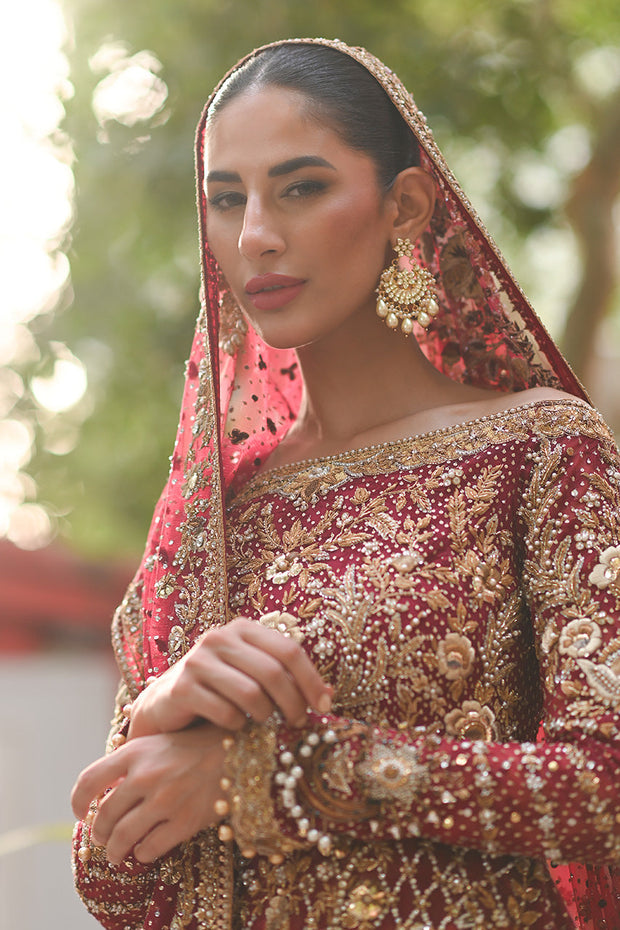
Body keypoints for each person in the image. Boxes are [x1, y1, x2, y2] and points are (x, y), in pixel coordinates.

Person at [71, 38, 620, 930]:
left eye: (302, 187)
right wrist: (158, 721)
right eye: (226, 199)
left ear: (403, 204)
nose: (255, 236)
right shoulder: (221, 514)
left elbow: (605, 788)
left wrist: (279, 777)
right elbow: (117, 886)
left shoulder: (538, 450)